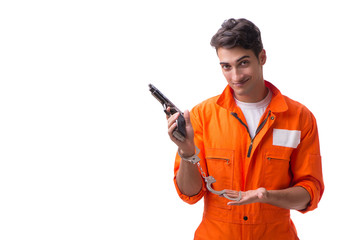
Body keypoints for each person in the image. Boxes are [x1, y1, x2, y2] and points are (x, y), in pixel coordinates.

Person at [166, 18, 324, 240]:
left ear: (262, 57)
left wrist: (266, 195)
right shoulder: (202, 116)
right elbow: (190, 194)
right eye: (226, 66)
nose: (236, 77)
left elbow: (310, 194)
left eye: (243, 63)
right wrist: (186, 152)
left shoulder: (299, 118)